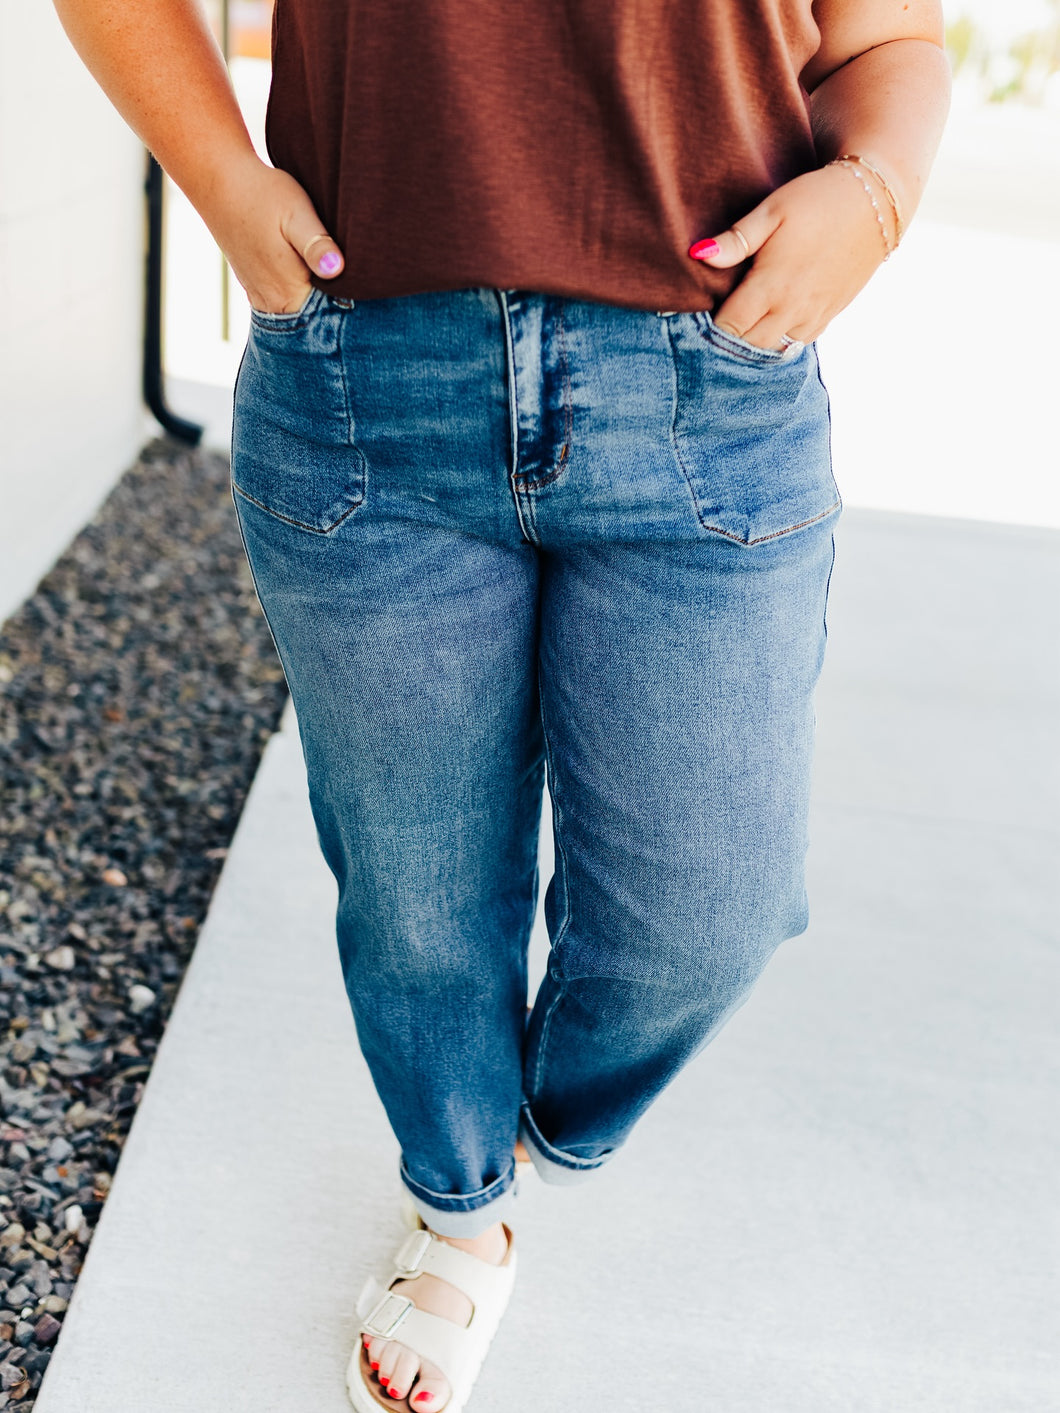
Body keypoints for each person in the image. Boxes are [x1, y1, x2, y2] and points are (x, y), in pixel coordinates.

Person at [52, 1, 951, 1409]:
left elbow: (888, 43)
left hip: (704, 387)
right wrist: (219, 175)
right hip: (369, 381)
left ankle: (531, 1128)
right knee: (418, 901)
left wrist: (877, 196)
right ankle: (460, 1199)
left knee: (705, 910)